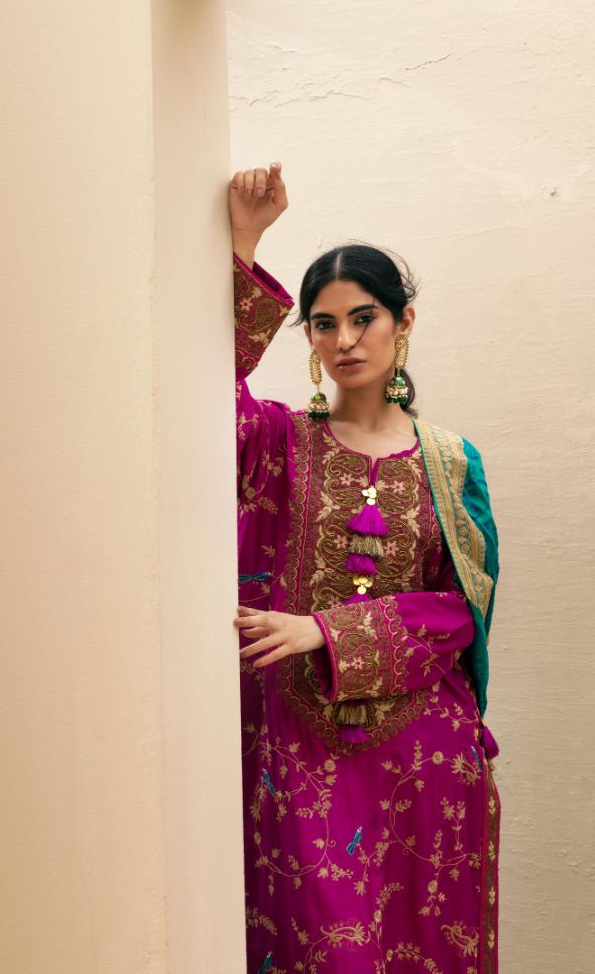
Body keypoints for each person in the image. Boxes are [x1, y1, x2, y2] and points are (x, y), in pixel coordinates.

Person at [230, 162, 501, 974]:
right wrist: (244, 243)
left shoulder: (451, 462)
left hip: (425, 760)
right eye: (323, 324)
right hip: (298, 754)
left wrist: (325, 629)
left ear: (402, 321)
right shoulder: (277, 443)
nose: (344, 340)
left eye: (363, 317)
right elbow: (198, 391)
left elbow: (459, 616)